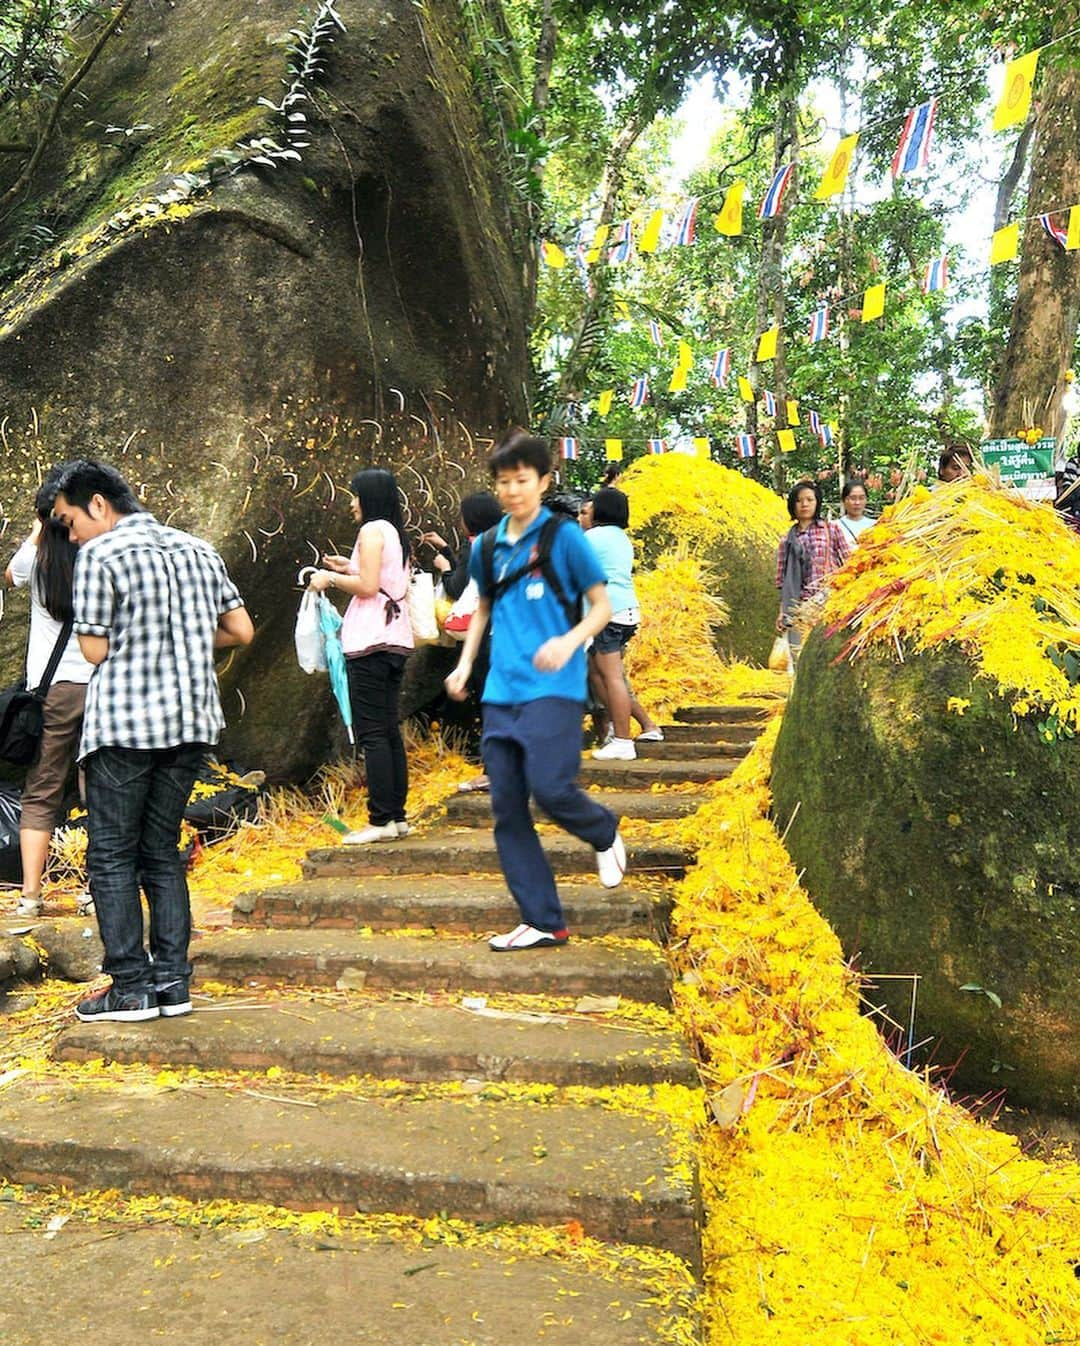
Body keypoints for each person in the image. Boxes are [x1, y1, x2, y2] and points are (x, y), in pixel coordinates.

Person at [51, 460, 254, 1023]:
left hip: (125, 727)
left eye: (69, 522)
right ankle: (172, 983)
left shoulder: (101, 555)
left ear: (97, 504)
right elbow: (241, 631)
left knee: (111, 856)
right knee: (161, 853)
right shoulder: (198, 550)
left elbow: (94, 651)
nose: (72, 536)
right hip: (190, 725)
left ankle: (130, 988)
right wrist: (183, 639)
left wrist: (138, 639)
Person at [445, 431, 625, 951]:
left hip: (555, 687)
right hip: (501, 691)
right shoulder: (486, 546)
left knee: (550, 788)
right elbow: (482, 608)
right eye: (503, 482)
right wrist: (463, 666)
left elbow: (601, 607)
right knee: (507, 808)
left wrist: (568, 642)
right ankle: (543, 919)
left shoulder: (565, 539)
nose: (512, 491)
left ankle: (601, 829)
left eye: (522, 480)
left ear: (544, 482)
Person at [3, 472, 95, 917]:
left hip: (54, 692)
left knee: (41, 791)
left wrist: (39, 529)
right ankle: (96, 889)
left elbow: (9, 574)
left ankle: (30, 896)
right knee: (97, 788)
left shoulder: (35, 562)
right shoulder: (99, 559)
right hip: (101, 686)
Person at [310, 468, 414, 844]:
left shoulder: (371, 531)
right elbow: (381, 578)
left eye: (354, 496)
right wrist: (347, 566)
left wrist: (329, 579)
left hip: (370, 640)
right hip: (395, 641)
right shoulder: (395, 533)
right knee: (387, 731)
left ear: (368, 497)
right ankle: (397, 816)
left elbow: (368, 587)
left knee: (373, 734)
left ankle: (381, 818)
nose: (352, 503)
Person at [421, 490, 502, 792]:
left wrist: (445, 569)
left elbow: (462, 586)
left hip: (492, 637)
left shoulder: (483, 546)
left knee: (491, 702)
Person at [585, 487, 662, 761]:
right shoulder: (621, 538)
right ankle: (626, 730)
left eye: (591, 506)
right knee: (597, 673)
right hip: (627, 611)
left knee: (611, 676)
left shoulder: (593, 537)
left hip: (608, 613)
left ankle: (622, 740)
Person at [775, 479, 851, 661]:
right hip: (800, 608)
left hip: (829, 602)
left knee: (829, 657)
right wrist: (782, 612)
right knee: (800, 660)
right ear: (792, 504)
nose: (805, 504)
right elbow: (783, 582)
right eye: (799, 500)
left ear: (817, 503)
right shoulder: (787, 540)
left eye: (810, 499)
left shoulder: (831, 530)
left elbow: (849, 563)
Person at [837, 477, 875, 546]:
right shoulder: (835, 526)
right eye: (853, 498)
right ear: (844, 500)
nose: (857, 502)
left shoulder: (875, 525)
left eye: (861, 498)